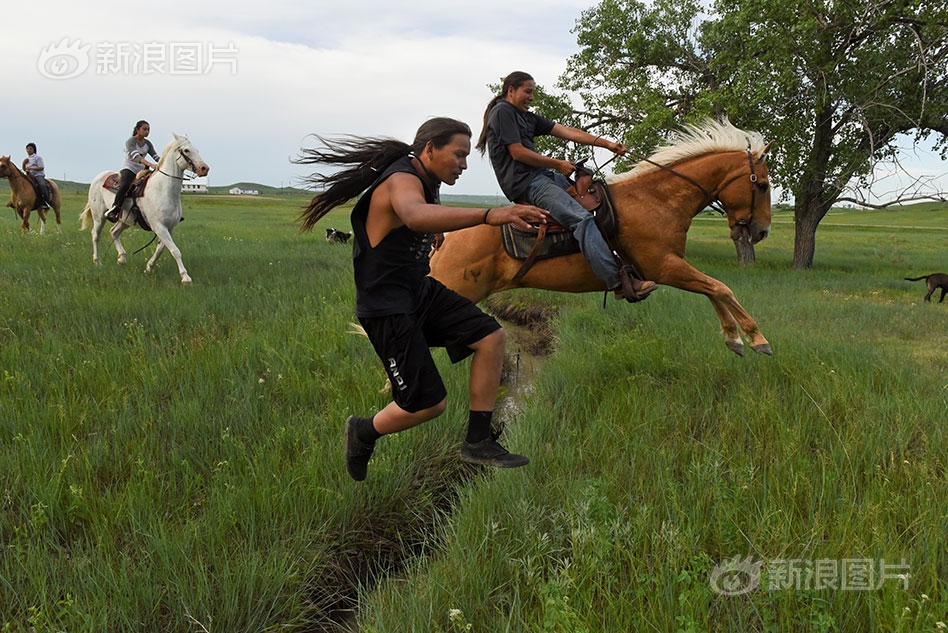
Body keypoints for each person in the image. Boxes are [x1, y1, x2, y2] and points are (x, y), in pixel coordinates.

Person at [297, 117, 549, 482]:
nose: (464, 164)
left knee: (491, 337)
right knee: (428, 404)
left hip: (420, 291)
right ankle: (363, 431)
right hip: (387, 306)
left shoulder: (428, 179)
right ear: (430, 149)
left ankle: (478, 441)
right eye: (459, 155)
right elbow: (413, 215)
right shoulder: (402, 178)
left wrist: (438, 227)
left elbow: (417, 218)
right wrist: (493, 215)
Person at [477, 71, 657, 302]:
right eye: (528, 91)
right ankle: (617, 282)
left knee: (598, 199)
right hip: (527, 183)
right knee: (580, 218)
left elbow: (567, 132)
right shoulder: (503, 111)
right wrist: (557, 164)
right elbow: (518, 152)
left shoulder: (528, 117)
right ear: (510, 90)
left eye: (534, 92)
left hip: (542, 176)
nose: (532, 97)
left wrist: (608, 144)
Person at [106, 120, 160, 222]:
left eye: (148, 130)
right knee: (125, 185)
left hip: (142, 170)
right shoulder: (130, 141)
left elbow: (155, 156)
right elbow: (137, 157)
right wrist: (151, 165)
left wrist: (163, 163)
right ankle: (115, 209)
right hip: (129, 168)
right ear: (137, 129)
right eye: (144, 129)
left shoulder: (148, 143)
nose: (147, 132)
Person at [22, 143, 50, 209]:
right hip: (29, 175)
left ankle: (46, 202)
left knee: (42, 185)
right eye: (27, 149)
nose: (28, 150)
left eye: (30, 149)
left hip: (38, 175)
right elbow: (24, 169)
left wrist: (31, 168)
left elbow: (41, 167)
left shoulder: (38, 157)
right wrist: (23, 164)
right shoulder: (27, 159)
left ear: (34, 150)